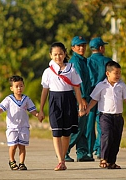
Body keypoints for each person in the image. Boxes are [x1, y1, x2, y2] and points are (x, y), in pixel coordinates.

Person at [38, 42, 84, 171]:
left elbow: (77, 89)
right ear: (50, 55)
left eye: (60, 54)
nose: (58, 57)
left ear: (65, 54)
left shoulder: (71, 69)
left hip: (68, 101)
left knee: (66, 133)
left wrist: (80, 105)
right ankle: (60, 160)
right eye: (55, 54)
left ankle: (63, 159)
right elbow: (45, 91)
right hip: (54, 102)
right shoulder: (47, 71)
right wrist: (41, 109)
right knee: (56, 132)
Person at [85, 61, 126, 169]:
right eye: (116, 73)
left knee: (116, 139)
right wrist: (88, 109)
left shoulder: (121, 85)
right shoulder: (101, 85)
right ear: (108, 74)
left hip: (118, 117)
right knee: (107, 135)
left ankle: (111, 161)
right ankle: (103, 158)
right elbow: (94, 99)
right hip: (105, 116)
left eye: (119, 73)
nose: (118, 75)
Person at [0, 75, 39, 170]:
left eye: (21, 86)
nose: (19, 88)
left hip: (24, 127)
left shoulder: (26, 99)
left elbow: (32, 110)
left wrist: (38, 115)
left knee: (22, 146)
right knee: (13, 146)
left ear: (24, 86)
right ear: (11, 88)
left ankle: (22, 163)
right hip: (12, 127)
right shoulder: (9, 99)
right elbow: (2, 108)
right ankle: (12, 161)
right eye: (16, 86)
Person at [65, 36, 94, 162]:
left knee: (83, 127)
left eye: (83, 45)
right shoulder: (75, 62)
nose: (81, 48)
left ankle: (82, 153)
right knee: (77, 127)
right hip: (78, 98)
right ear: (73, 48)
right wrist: (81, 99)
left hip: (84, 96)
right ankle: (63, 151)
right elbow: (78, 83)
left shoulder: (83, 60)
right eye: (78, 46)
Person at [86, 37, 112, 159]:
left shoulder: (87, 61)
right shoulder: (107, 61)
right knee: (102, 121)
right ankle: (99, 148)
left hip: (90, 93)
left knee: (89, 122)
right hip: (104, 93)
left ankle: (89, 150)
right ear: (101, 48)